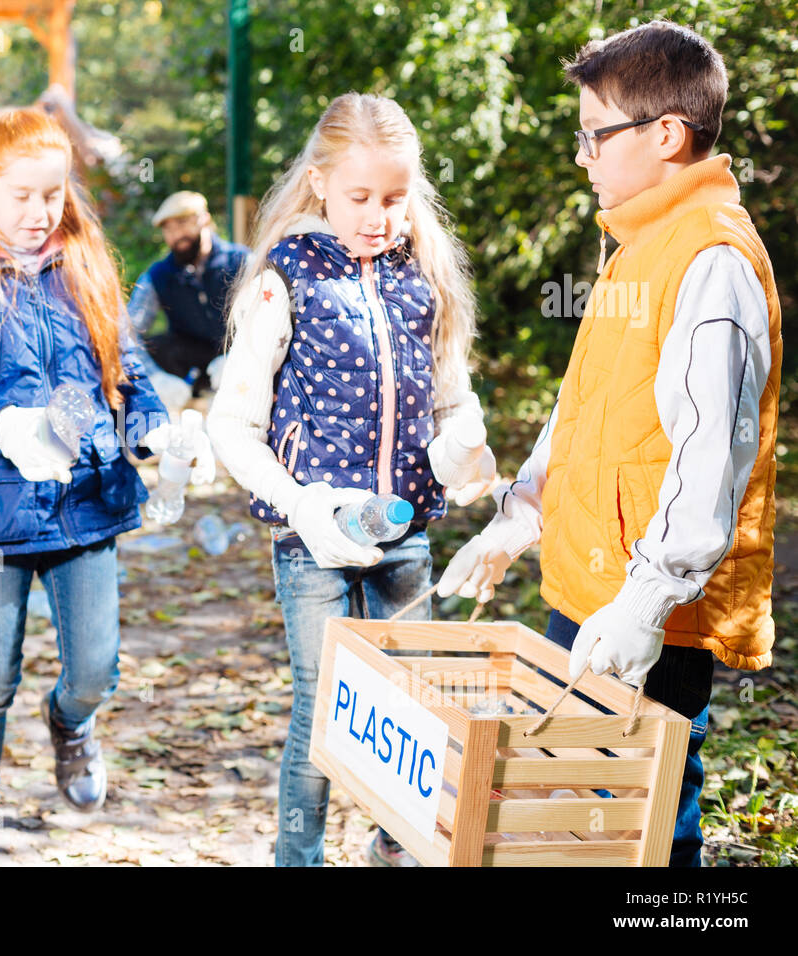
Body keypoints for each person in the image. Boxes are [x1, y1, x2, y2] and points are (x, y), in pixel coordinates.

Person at [437, 21, 781, 868]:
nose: (583, 156)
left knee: (647, 829)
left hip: (647, 614)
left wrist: (647, 601)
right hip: (592, 586)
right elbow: (588, 407)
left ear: (666, 133)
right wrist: (518, 518)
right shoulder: (639, 244)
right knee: (589, 823)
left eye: (595, 134)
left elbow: (714, 458)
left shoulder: (711, 262)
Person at [0, 106, 211, 866]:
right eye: (23, 195)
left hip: (89, 506)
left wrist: (153, 430)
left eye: (54, 194)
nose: (40, 212)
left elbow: (125, 374)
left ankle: (71, 721)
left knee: (96, 669)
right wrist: (2, 424)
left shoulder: (85, 265)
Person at [207, 92, 498, 867]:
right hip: (314, 546)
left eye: (395, 198)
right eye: (360, 197)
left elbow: (454, 400)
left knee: (415, 700)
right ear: (320, 185)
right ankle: (296, 858)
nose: (377, 215)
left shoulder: (419, 279)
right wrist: (304, 507)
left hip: (405, 538)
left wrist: (465, 442)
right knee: (322, 704)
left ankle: (397, 846)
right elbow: (231, 425)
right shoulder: (287, 279)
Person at [127, 192, 250, 395]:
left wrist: (239, 357)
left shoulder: (241, 262)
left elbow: (267, 320)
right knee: (157, 346)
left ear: (205, 219)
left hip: (241, 364)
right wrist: (155, 377)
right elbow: (128, 332)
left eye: (183, 223)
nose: (177, 235)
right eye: (168, 229)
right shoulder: (158, 275)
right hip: (189, 370)